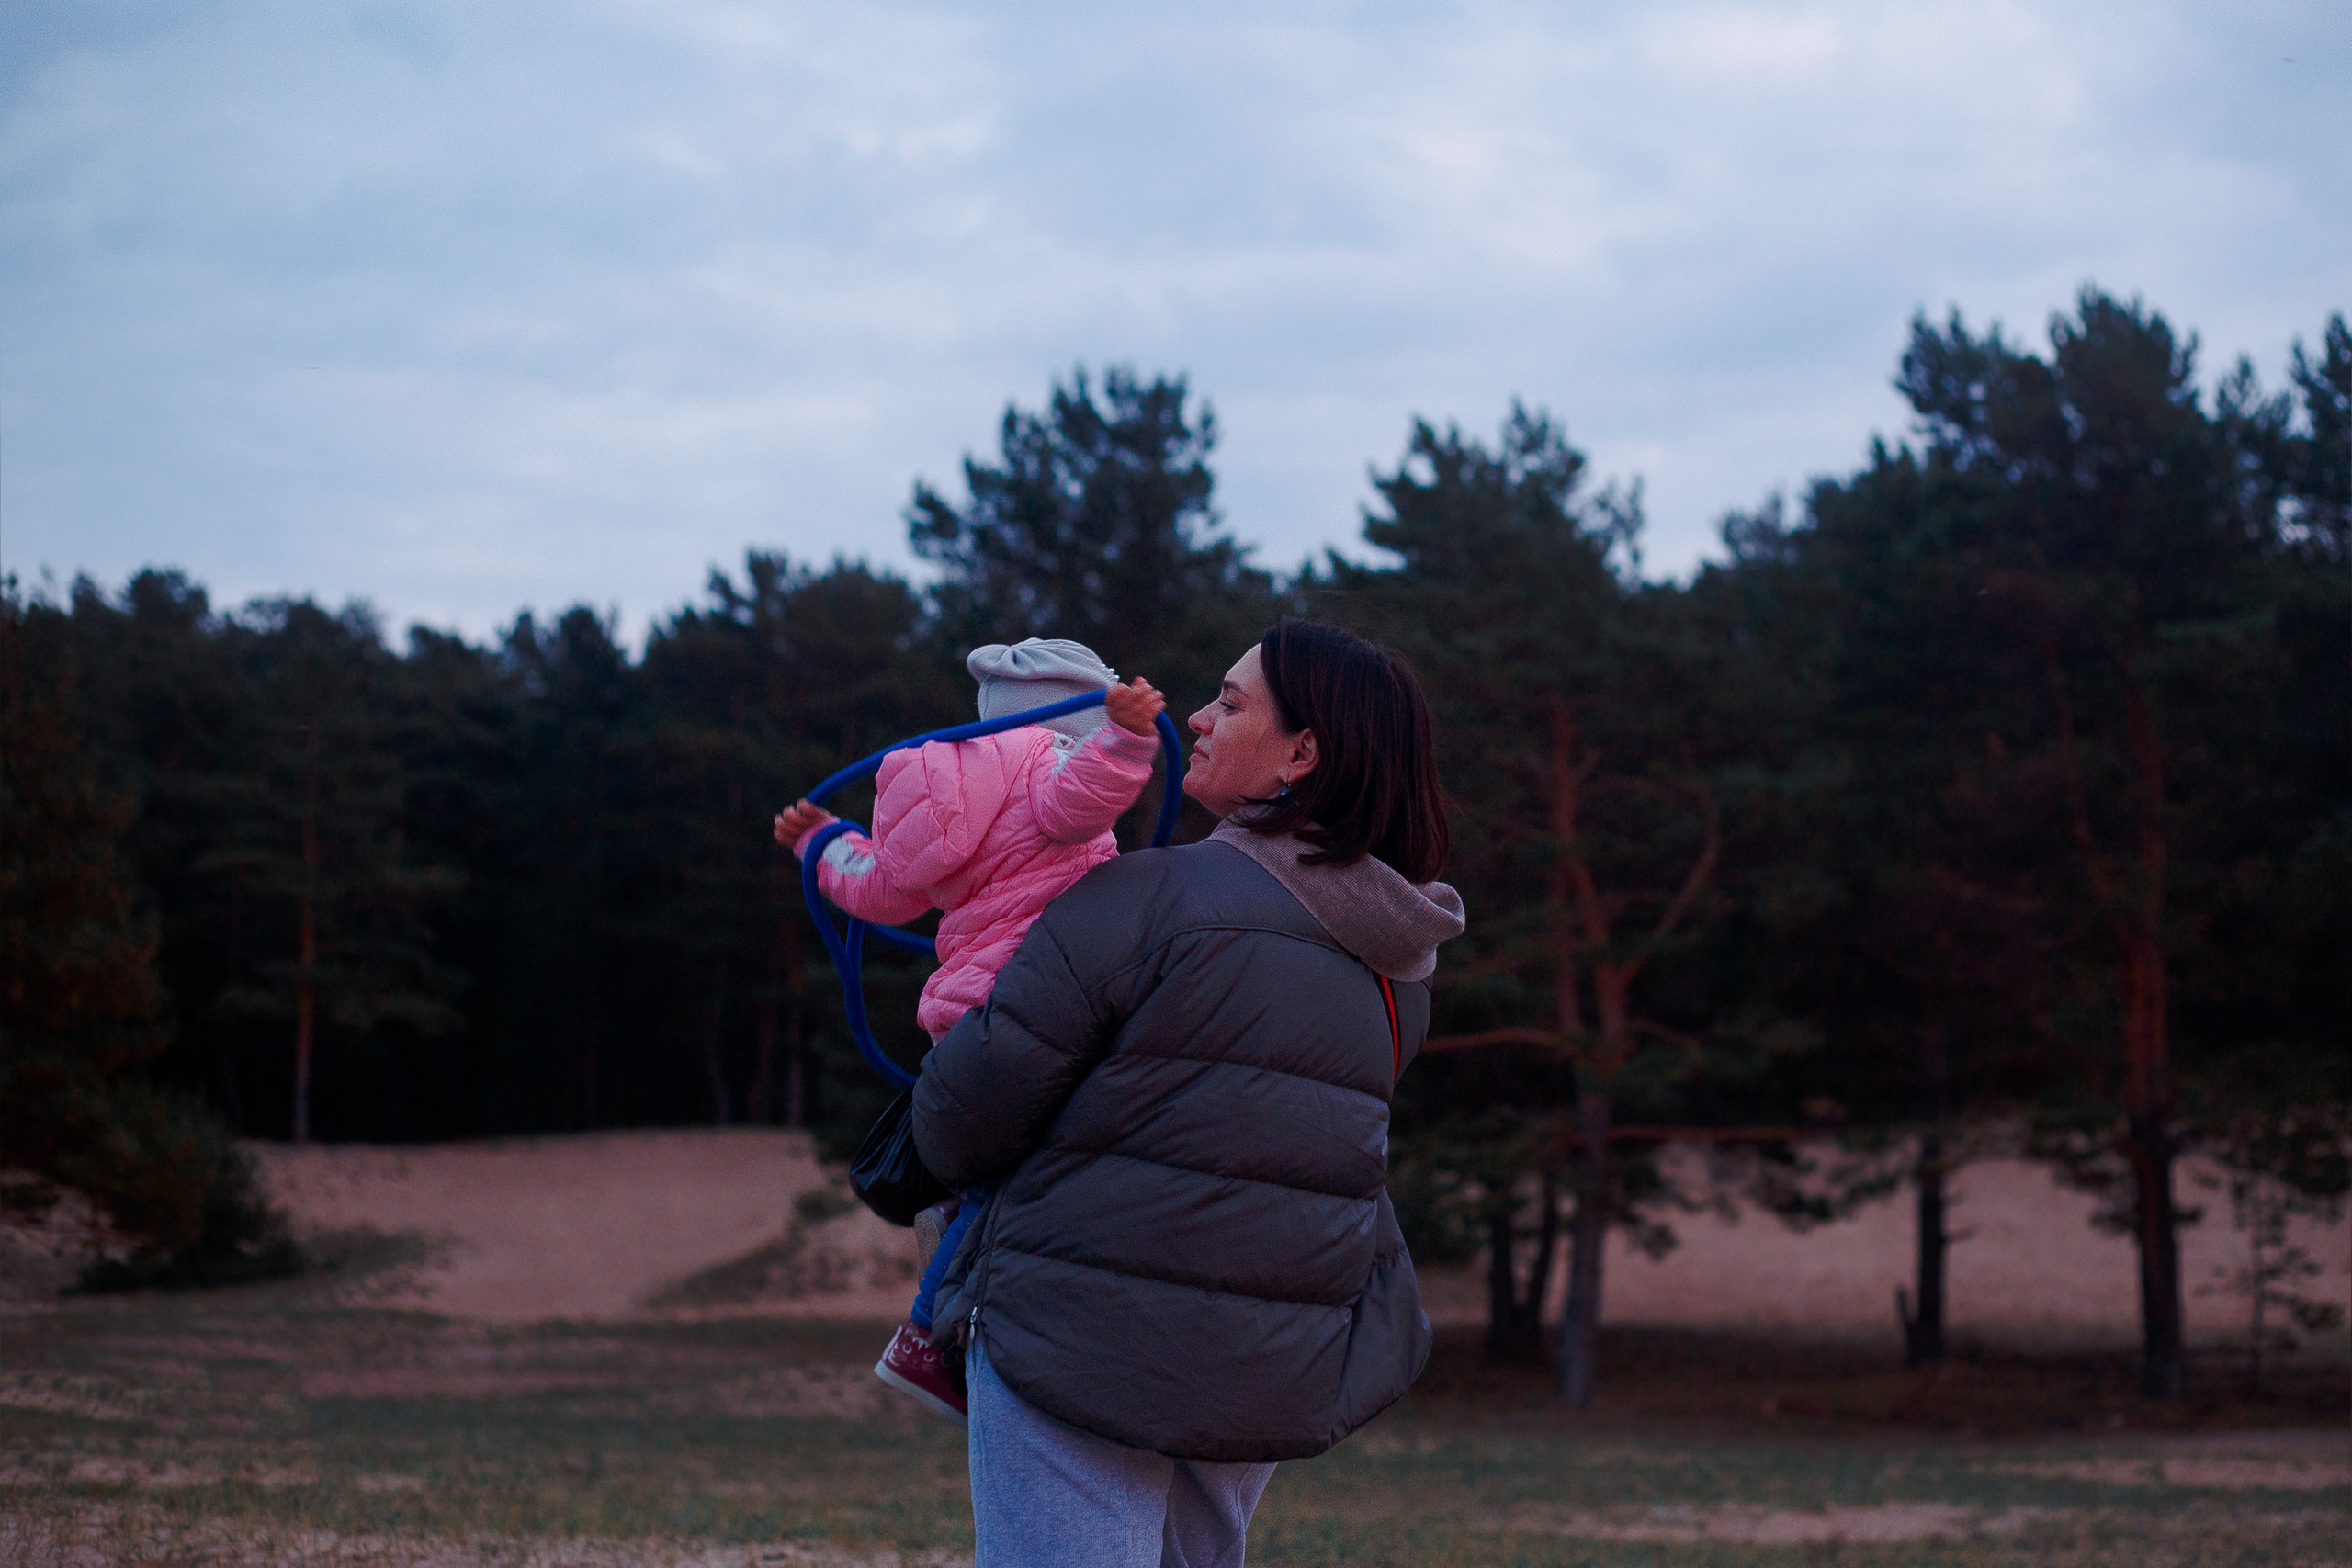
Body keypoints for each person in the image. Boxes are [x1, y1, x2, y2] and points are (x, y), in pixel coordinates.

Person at [912, 619, 1464, 1568]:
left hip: (1080, 1342)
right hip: (1269, 1359)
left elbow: (963, 1114)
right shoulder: (1396, 968)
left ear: (1301, 754)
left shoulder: (1147, 897)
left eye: (1231, 702)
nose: (1199, 718)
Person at [774, 637, 1168, 1419]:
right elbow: (1079, 799)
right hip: (1041, 1004)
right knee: (1042, 1169)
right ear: (1074, 711)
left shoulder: (949, 780)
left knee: (998, 1180)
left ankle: (954, 1272)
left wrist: (825, 842)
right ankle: (926, 1335)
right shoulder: (1050, 761)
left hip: (968, 1018)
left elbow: (884, 890)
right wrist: (1127, 739)